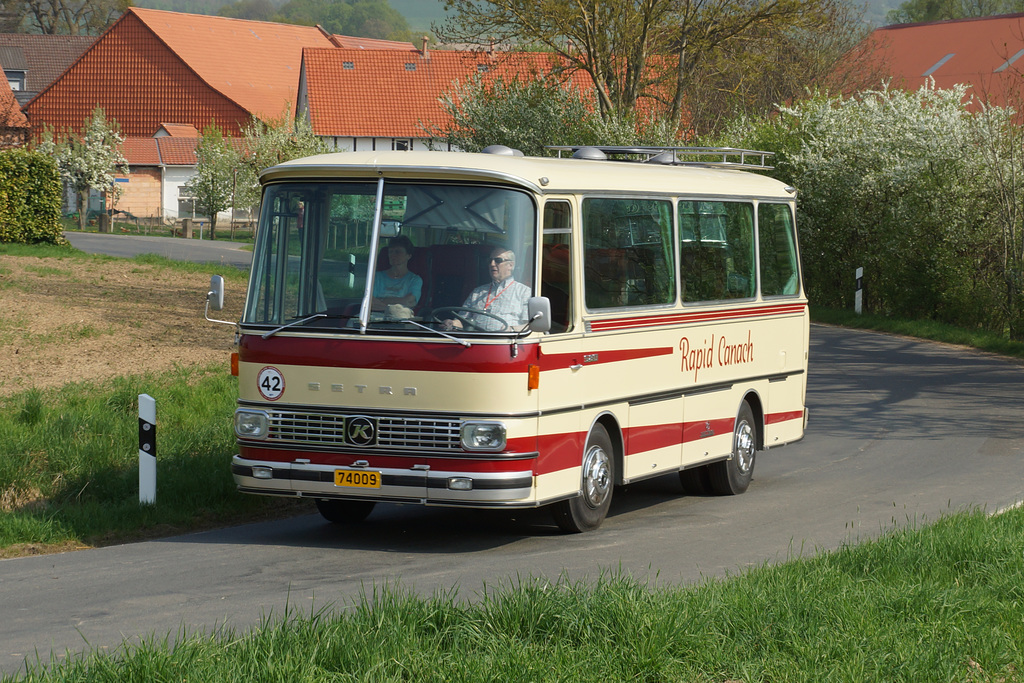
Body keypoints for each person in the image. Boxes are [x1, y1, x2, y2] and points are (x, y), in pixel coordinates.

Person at [444, 247, 531, 331]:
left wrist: (512, 329)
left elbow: (529, 326)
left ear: (510, 265)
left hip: (506, 342)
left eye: (498, 260)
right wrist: (452, 323)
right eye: (490, 261)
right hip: (477, 342)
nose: (492, 264)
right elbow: (463, 321)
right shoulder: (477, 292)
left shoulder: (524, 292)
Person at [372, 235, 422, 312]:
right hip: (374, 316)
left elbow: (409, 302)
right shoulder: (377, 277)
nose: (393, 255)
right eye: (390, 252)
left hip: (400, 319)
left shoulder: (415, 280)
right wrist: (399, 302)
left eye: (398, 252)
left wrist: (381, 300)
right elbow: (370, 302)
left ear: (408, 256)